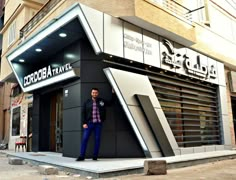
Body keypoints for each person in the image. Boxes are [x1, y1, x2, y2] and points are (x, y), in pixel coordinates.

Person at [76, 87, 114, 161]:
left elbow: (110, 103)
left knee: (97, 139)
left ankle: (95, 156)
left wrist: (113, 93)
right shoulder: (87, 102)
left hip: (98, 124)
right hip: (89, 124)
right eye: (93, 92)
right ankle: (81, 156)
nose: (94, 94)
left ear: (98, 93)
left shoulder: (101, 101)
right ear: (91, 93)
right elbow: (83, 113)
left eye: (96, 93)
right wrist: (84, 123)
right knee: (85, 139)